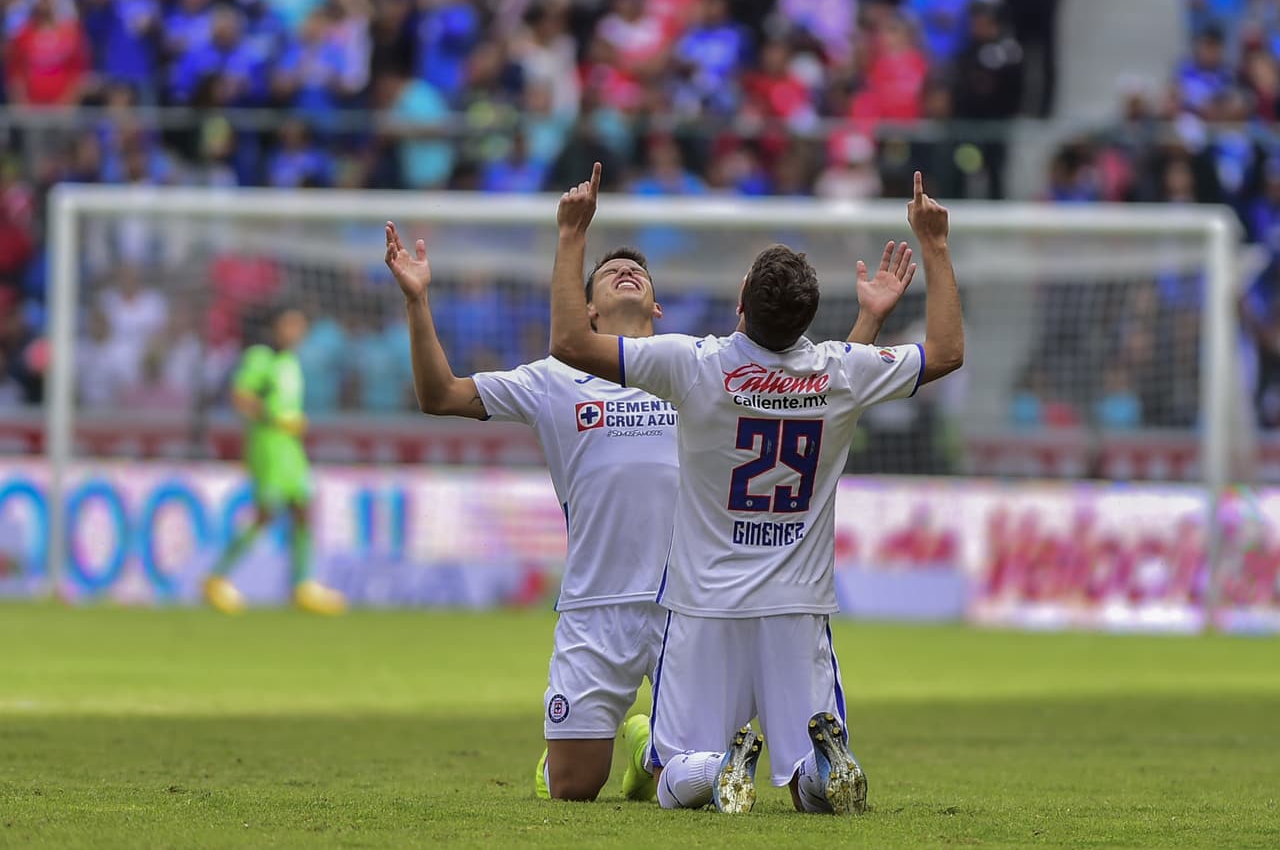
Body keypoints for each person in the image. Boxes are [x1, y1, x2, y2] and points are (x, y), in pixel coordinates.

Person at [382, 205, 911, 803]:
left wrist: (868, 320)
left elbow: (817, 391)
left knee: (689, 784)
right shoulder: (551, 379)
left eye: (639, 271)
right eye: (609, 272)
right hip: (596, 602)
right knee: (574, 787)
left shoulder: (700, 370)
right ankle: (636, 743)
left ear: (658, 307)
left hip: (689, 605)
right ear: (586, 310)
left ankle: (650, 752)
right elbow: (440, 395)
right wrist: (417, 301)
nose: (626, 271)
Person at [547, 164, 962, 814]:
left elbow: (573, 341)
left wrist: (573, 233)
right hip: (796, 606)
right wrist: (934, 247)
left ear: (741, 299)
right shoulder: (839, 372)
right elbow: (946, 351)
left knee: (673, 769)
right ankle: (820, 770)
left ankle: (715, 768)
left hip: (703, 606)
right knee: (805, 782)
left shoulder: (695, 364)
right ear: (807, 317)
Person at [203, 306, 348, 616]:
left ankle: (302, 585)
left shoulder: (290, 362)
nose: (296, 332)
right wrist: (275, 418)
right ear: (275, 327)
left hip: (291, 449)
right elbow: (241, 397)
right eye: (289, 325)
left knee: (302, 510)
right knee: (265, 514)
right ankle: (216, 578)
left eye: (300, 326)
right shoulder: (260, 358)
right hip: (268, 446)